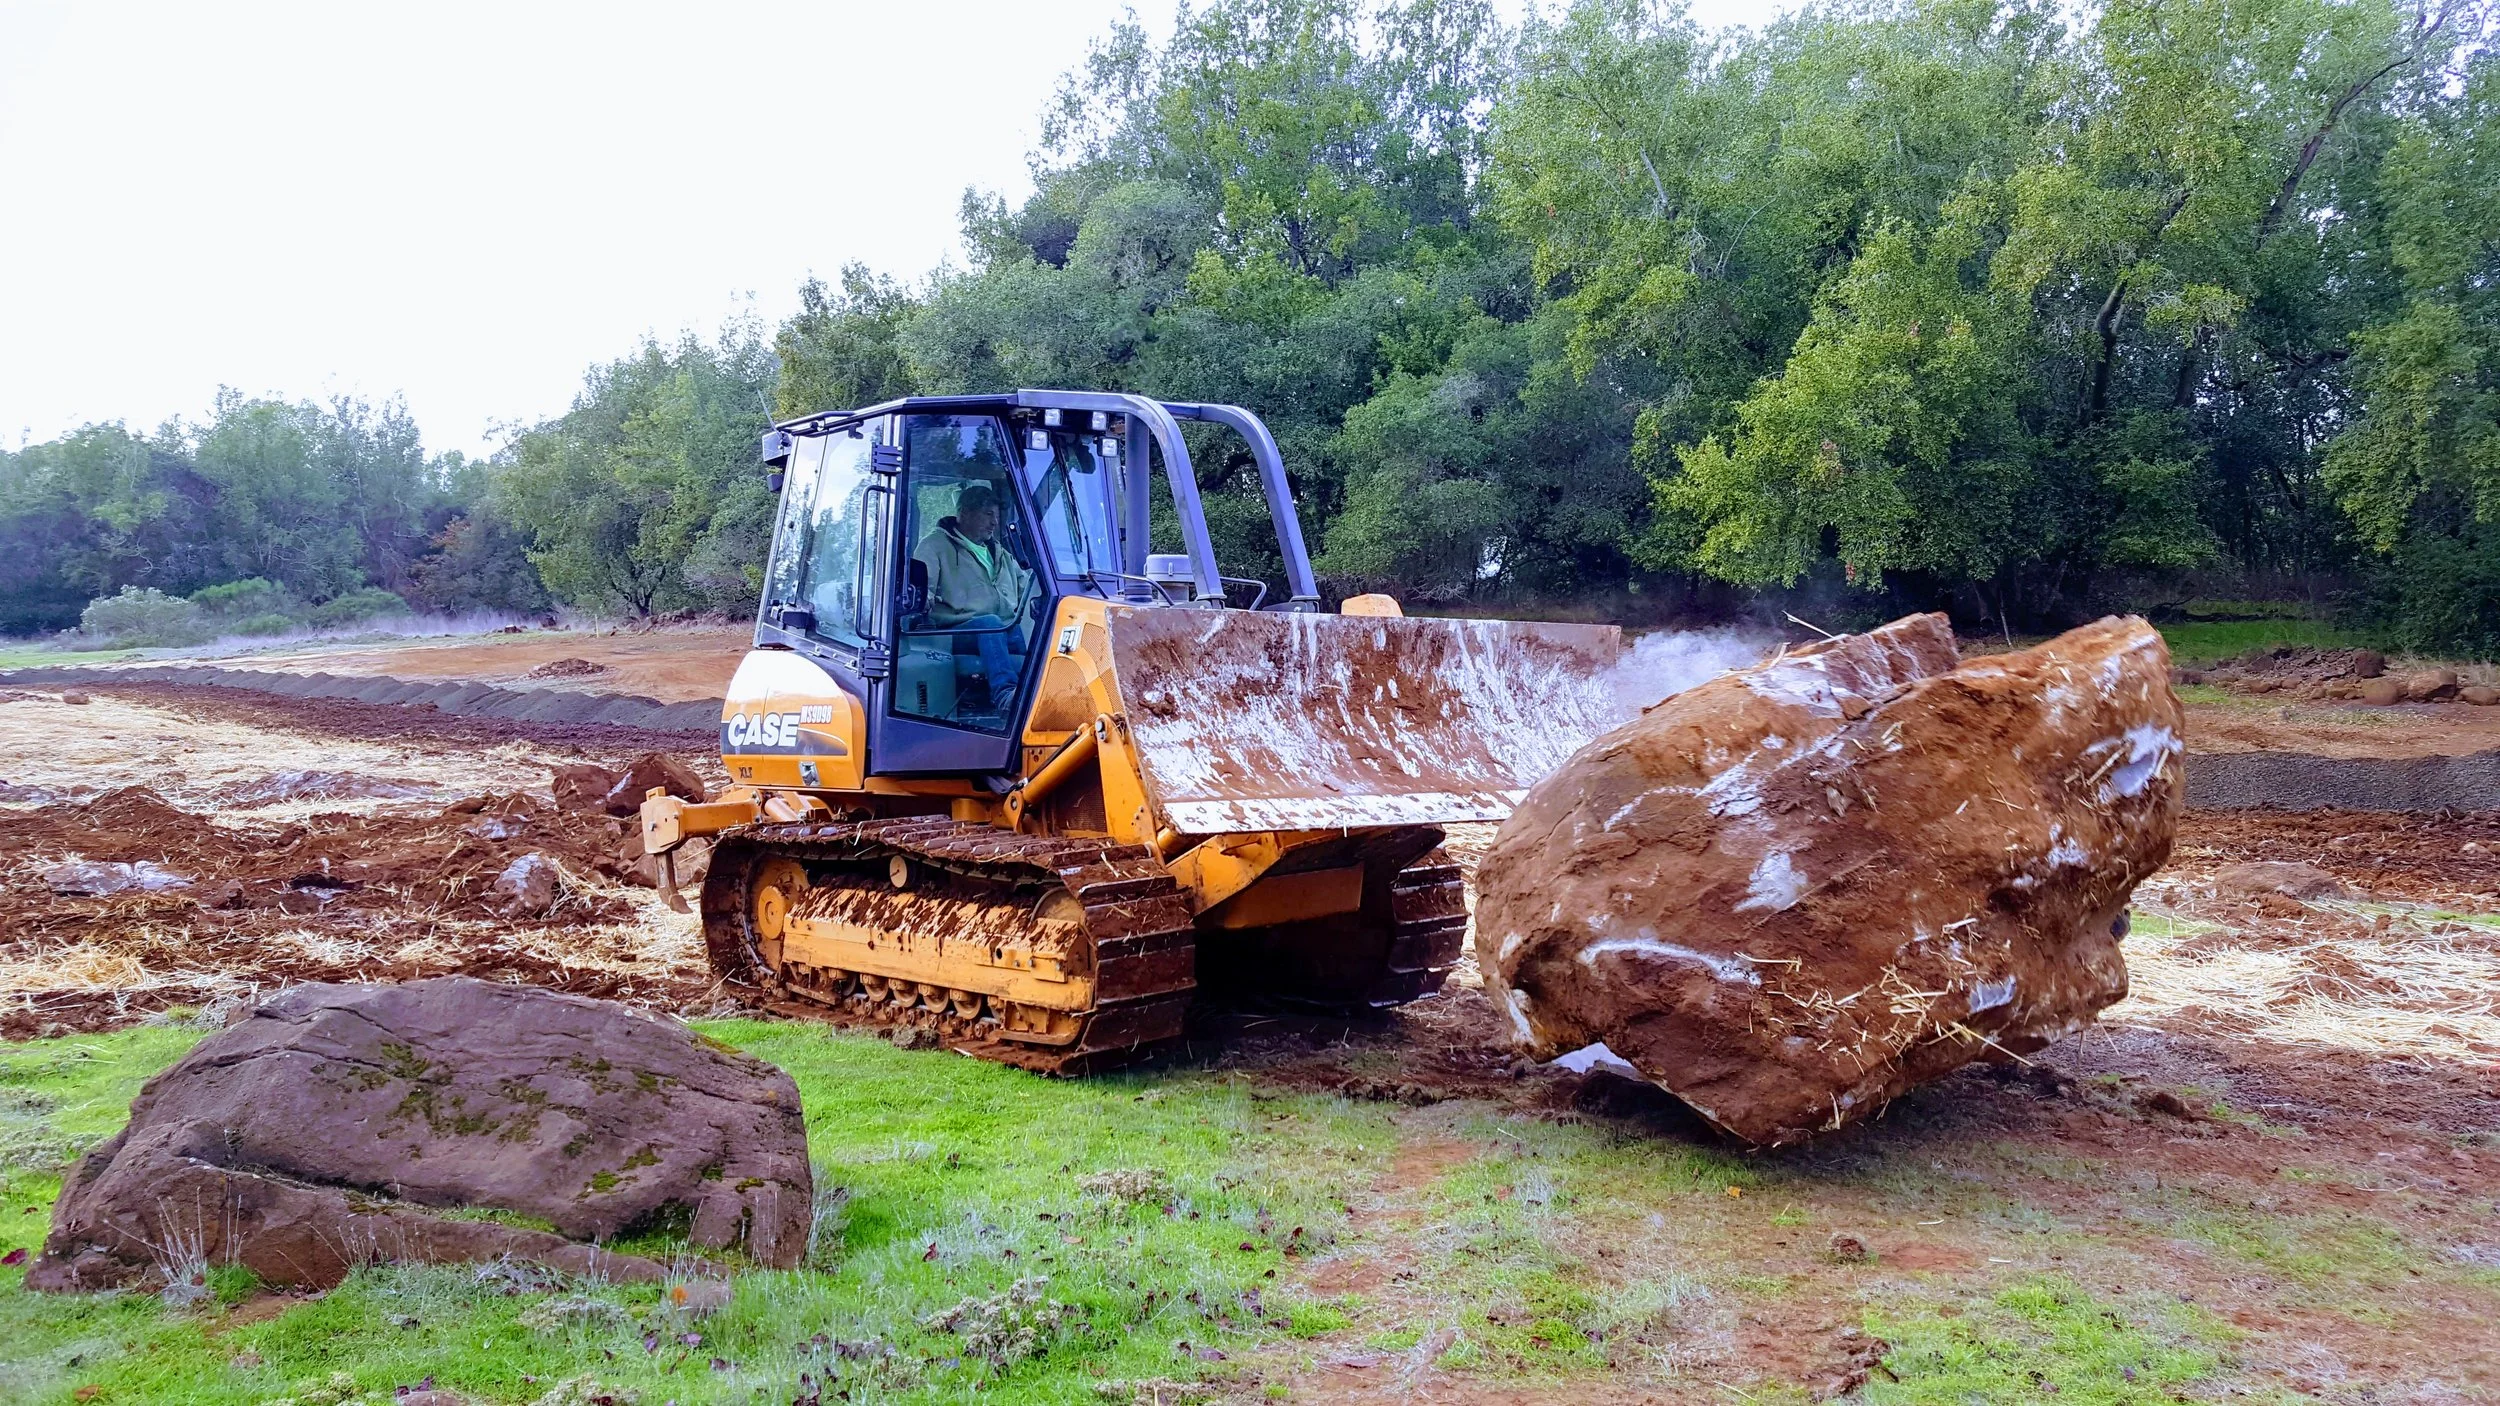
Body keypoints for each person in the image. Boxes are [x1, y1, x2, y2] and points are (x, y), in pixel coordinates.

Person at [913, 481, 1031, 709]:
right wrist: (924, 597)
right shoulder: (935, 546)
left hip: (998, 631)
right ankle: (1005, 694)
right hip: (952, 633)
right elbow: (921, 588)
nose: (994, 523)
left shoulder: (1000, 553)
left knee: (1015, 629)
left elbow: (1026, 586)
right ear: (964, 514)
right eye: (988, 514)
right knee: (990, 623)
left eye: (996, 516)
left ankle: (1030, 691)